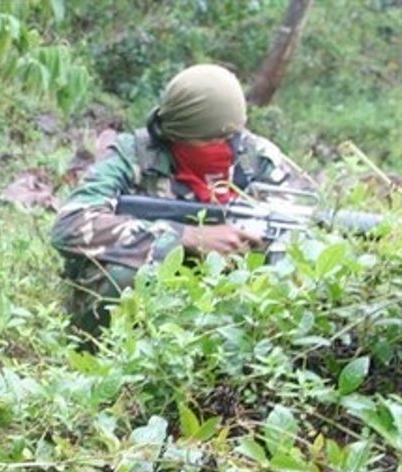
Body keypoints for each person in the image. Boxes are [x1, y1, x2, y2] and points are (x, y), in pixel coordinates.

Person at [51, 63, 315, 338]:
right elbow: (70, 225)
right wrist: (186, 236)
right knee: (121, 277)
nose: (225, 147)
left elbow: (304, 227)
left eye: (230, 137)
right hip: (151, 286)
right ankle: (100, 356)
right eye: (210, 140)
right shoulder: (133, 156)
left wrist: (264, 246)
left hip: (229, 299)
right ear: (177, 135)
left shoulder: (257, 157)